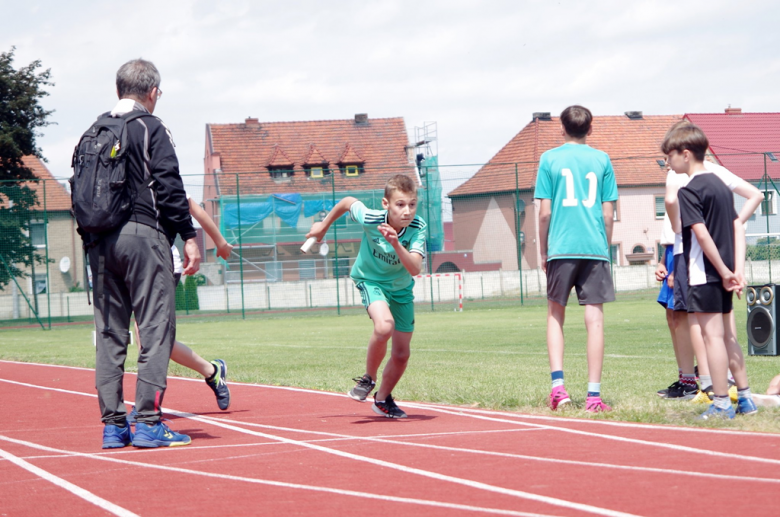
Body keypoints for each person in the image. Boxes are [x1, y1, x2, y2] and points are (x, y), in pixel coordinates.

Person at [87, 59, 201, 448]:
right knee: (155, 331)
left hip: (99, 241)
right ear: (153, 92)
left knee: (109, 335)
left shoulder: (95, 129)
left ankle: (113, 427)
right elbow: (169, 186)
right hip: (144, 237)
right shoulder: (151, 127)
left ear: (119, 90)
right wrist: (188, 235)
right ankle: (150, 422)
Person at [306, 175, 426, 418]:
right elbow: (348, 202)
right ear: (386, 204)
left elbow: (415, 268)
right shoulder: (372, 218)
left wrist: (396, 244)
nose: (407, 211)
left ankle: (382, 400)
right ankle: (368, 378)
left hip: (401, 288)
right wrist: (323, 226)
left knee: (402, 354)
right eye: (400, 204)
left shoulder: (418, 227)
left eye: (412, 204)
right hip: (370, 280)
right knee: (384, 327)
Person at [664, 123, 758, 419]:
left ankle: (720, 402)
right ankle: (745, 398)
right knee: (728, 337)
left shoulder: (689, 191)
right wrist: (735, 270)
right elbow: (736, 227)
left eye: (670, 156)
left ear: (686, 154)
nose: (668, 162)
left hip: (704, 273)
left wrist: (722, 270)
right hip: (725, 272)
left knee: (713, 338)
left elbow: (701, 235)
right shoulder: (720, 185)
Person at [534, 105, 618, 413]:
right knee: (594, 319)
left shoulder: (549, 159)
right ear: (590, 129)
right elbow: (609, 214)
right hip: (594, 247)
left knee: (556, 314)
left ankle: (559, 388)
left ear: (562, 128)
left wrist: (543, 250)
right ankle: (593, 397)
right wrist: (603, 246)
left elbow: (544, 212)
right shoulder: (602, 159)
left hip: (562, 246)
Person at [129, 196, 234, 420]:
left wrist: (220, 242)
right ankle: (212, 371)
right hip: (135, 262)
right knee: (151, 337)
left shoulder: (161, 181)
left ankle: (145, 402)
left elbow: (196, 209)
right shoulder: (123, 179)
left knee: (146, 333)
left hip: (163, 263)